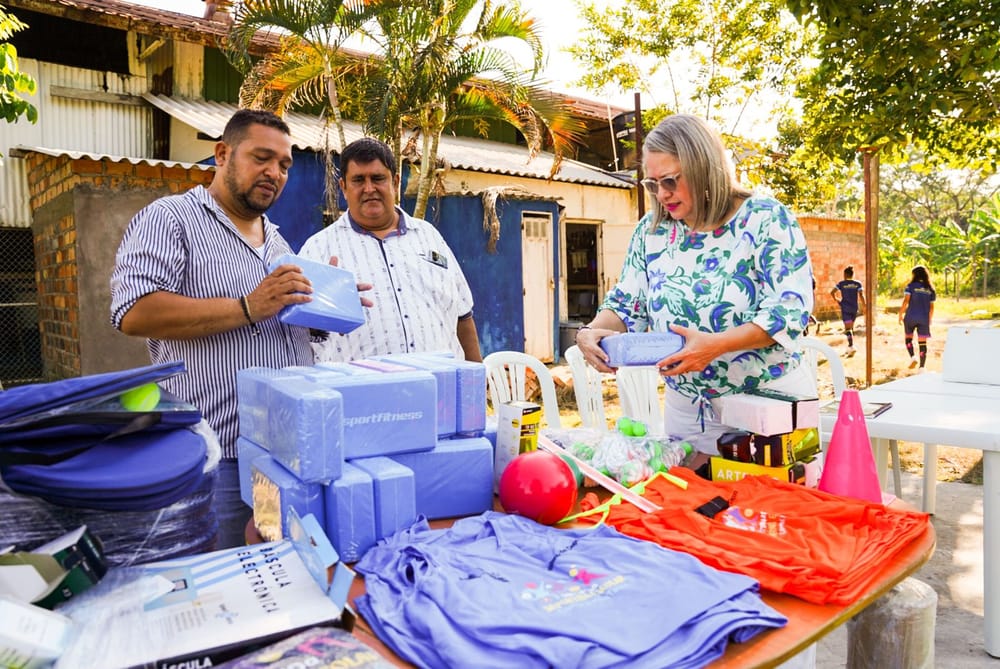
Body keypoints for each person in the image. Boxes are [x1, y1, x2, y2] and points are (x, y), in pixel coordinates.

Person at [110, 109, 318, 549]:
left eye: (284, 165)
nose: (274, 173)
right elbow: (134, 311)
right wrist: (247, 306)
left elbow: (277, 323)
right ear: (222, 154)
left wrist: (324, 306)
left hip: (276, 457)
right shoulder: (170, 219)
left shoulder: (278, 242)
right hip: (214, 458)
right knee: (220, 575)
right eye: (261, 157)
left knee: (269, 567)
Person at [574, 114, 815, 460]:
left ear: (704, 167)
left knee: (775, 510)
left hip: (769, 408)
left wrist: (714, 346)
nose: (662, 194)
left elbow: (788, 312)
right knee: (695, 508)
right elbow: (627, 304)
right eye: (652, 184)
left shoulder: (765, 219)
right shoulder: (652, 231)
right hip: (687, 414)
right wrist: (592, 331)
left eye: (670, 180)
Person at [299, 137, 482, 363]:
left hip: (440, 391)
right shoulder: (317, 250)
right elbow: (302, 335)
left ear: (395, 182)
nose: (369, 188)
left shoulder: (429, 236)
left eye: (378, 178)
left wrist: (476, 380)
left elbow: (463, 316)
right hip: (361, 394)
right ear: (344, 188)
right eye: (358, 180)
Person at [899, 265, 936, 369]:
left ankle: (913, 357)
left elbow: (906, 301)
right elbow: (932, 308)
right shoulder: (931, 290)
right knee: (923, 343)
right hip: (924, 319)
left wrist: (900, 314)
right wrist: (929, 319)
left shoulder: (910, 286)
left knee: (908, 339)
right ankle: (922, 368)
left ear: (914, 275)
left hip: (910, 316)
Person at [830, 266, 866, 356]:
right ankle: (850, 346)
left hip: (845, 308)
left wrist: (837, 300)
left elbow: (832, 292)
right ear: (852, 275)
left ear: (845, 275)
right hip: (854, 309)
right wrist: (865, 307)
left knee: (848, 329)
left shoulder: (841, 284)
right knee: (851, 328)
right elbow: (861, 295)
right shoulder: (857, 284)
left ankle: (851, 346)